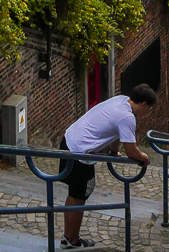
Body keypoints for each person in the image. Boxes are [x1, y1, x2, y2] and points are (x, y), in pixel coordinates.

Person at [59, 83, 157, 248]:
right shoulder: (127, 117)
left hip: (69, 140)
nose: (147, 113)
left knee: (74, 195)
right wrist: (144, 157)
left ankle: (68, 238)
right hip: (79, 152)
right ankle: (72, 241)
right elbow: (131, 151)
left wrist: (113, 152)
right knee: (79, 197)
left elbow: (116, 132)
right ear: (144, 104)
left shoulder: (121, 100)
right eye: (149, 109)